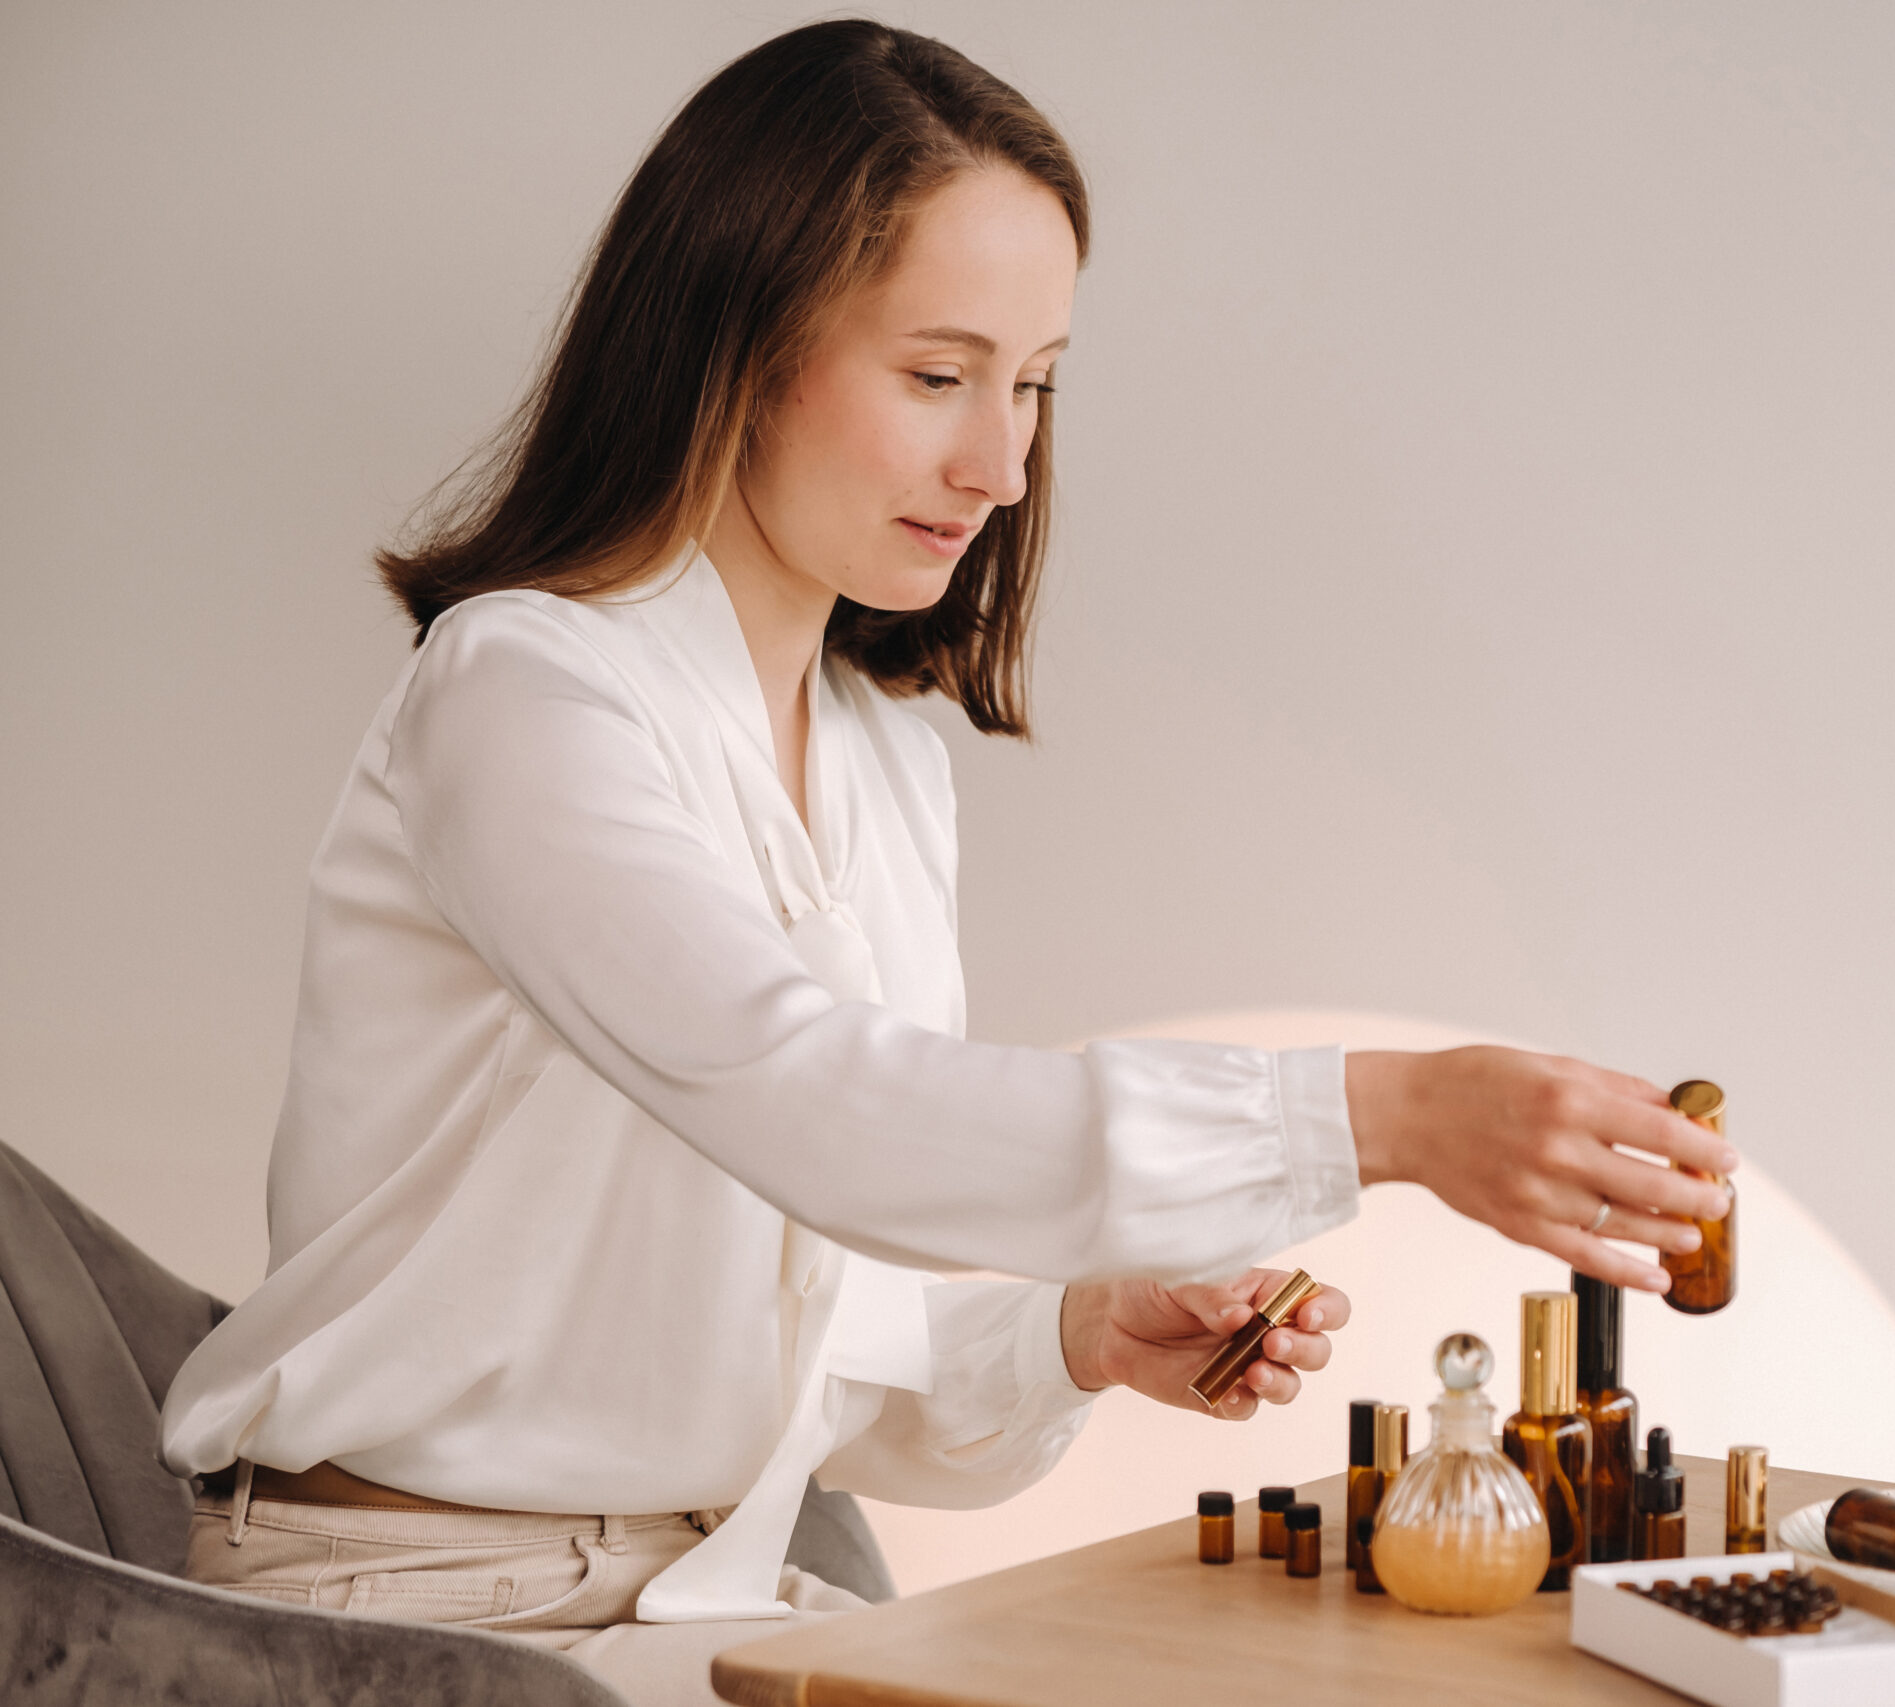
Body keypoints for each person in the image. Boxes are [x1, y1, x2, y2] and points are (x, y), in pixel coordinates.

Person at [158, 19, 1739, 1704]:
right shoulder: (521, 697)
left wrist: (1070, 1336)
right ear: (735, 346)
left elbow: (788, 1328)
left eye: (1036, 384)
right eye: (938, 375)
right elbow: (822, 1102)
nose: (1001, 464)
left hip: (702, 1604)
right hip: (400, 1625)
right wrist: (1391, 1118)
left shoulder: (884, 761)